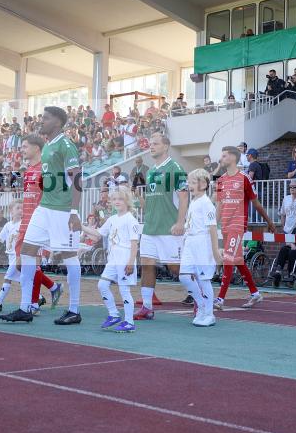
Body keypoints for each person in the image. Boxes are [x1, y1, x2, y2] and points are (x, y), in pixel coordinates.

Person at [1, 107, 82, 325]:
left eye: (46, 118)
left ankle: (74, 310)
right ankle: (25, 307)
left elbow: (77, 178)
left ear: (58, 122)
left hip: (62, 210)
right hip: (44, 208)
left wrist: (74, 212)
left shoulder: (66, 145)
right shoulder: (47, 147)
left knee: (69, 255)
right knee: (27, 251)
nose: (42, 121)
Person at [215, 146, 277, 310]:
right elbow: (219, 205)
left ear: (233, 158)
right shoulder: (220, 180)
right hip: (225, 226)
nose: (221, 159)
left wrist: (269, 221)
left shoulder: (244, 178)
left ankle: (220, 299)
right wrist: (213, 225)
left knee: (228, 258)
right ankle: (255, 293)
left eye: (224, 156)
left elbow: (256, 203)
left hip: (238, 224)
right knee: (237, 260)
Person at [135, 133, 188, 320]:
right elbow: (152, 201)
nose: (151, 146)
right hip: (150, 228)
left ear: (166, 146)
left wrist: (180, 222)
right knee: (147, 266)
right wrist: (139, 199)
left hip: (168, 228)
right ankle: (147, 307)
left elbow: (183, 197)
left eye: (155, 144)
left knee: (175, 268)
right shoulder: (151, 171)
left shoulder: (175, 168)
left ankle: (200, 298)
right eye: (150, 144)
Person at [81, 186, 141, 333]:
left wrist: (131, 262)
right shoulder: (112, 219)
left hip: (125, 259)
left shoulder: (131, 220)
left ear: (127, 201)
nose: (117, 202)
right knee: (102, 285)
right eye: (114, 199)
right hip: (113, 260)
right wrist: (81, 227)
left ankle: (129, 322)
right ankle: (114, 314)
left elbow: (134, 243)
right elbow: (98, 234)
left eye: (120, 199)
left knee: (124, 290)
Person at [179, 169, 220, 327]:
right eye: (189, 182)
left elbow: (212, 228)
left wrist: (215, 251)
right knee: (184, 276)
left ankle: (209, 314)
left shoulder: (206, 203)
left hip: (202, 243)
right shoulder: (194, 201)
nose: (189, 185)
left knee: (203, 279)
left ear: (203, 184)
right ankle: (201, 305)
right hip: (190, 242)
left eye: (192, 182)